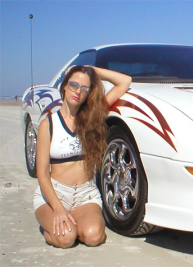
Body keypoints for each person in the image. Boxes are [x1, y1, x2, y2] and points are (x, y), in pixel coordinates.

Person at [33, 65, 131, 248]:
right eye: (73, 85)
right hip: (55, 194)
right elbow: (42, 173)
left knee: (94, 238)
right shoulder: (49, 124)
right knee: (66, 239)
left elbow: (124, 82)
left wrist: (90, 70)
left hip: (85, 195)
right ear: (64, 86)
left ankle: (75, 224)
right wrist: (58, 208)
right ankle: (49, 228)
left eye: (84, 88)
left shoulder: (92, 117)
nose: (78, 91)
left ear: (89, 93)